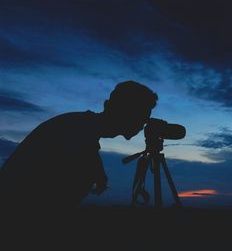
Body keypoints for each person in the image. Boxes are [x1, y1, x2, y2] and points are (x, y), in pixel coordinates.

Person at [0, 81, 158, 213]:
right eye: (141, 118)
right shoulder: (77, 132)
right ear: (126, 113)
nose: (142, 125)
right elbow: (58, 196)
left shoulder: (81, 126)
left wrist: (99, 172)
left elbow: (89, 153)